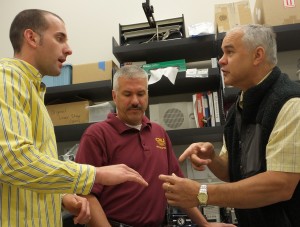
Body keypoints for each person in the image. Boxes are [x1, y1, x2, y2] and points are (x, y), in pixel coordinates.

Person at [0, 9, 148, 227]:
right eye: (59, 38)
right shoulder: (6, 79)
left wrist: (61, 197)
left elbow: (25, 177)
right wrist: (96, 174)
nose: (68, 49)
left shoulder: (32, 89)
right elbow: (11, 161)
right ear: (31, 37)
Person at [159, 24, 300, 227]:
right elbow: (232, 172)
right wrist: (213, 158)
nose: (221, 60)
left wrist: (201, 193)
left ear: (257, 55)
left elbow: (280, 184)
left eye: (230, 52)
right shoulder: (237, 109)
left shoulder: (290, 103)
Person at [75, 65, 236, 227]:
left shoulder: (159, 133)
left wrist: (205, 224)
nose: (135, 101)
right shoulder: (96, 135)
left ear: (147, 95)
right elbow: (86, 195)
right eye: (127, 94)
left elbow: (177, 186)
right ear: (114, 96)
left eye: (140, 94)